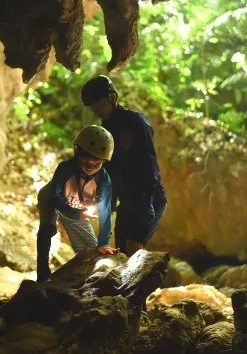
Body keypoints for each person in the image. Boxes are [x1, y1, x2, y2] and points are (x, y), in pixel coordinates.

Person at [80, 75, 167, 257]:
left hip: (149, 197)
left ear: (112, 97)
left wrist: (146, 198)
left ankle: (144, 283)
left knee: (134, 245)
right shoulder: (106, 130)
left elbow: (148, 160)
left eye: (99, 104)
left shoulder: (136, 123)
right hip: (128, 200)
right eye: (93, 108)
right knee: (121, 252)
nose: (96, 110)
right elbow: (108, 169)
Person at [36, 125, 119, 283]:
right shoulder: (65, 169)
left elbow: (105, 211)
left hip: (76, 206)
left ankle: (84, 279)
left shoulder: (104, 180)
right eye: (85, 162)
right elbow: (54, 198)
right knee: (48, 228)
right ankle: (42, 273)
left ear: (103, 162)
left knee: (91, 249)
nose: (89, 168)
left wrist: (103, 242)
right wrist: (76, 214)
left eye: (96, 164)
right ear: (77, 153)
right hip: (53, 200)